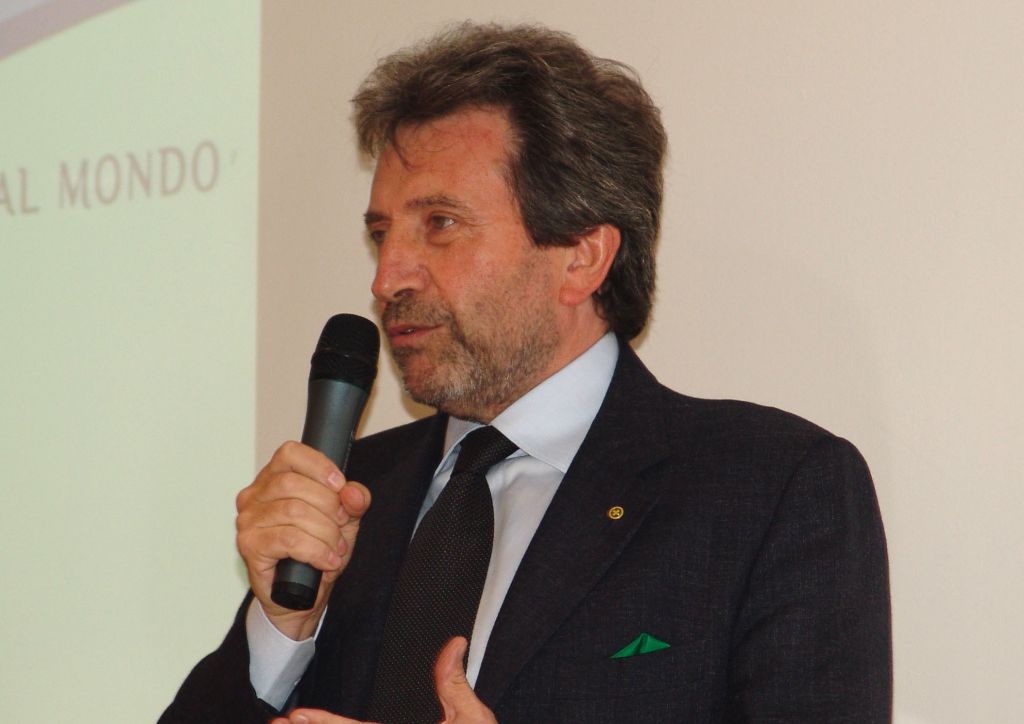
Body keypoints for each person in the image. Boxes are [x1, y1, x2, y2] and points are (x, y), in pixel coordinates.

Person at [161, 22, 891, 724]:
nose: (386, 278)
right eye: (381, 234)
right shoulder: (351, 497)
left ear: (582, 257)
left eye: (441, 224)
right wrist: (282, 628)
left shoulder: (769, 491)